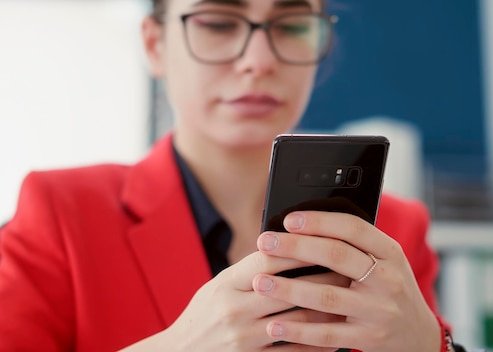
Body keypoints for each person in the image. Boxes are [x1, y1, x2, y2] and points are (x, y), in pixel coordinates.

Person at [0, 0, 464, 351]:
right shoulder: (60, 212)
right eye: (218, 22)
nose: (259, 61)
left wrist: (432, 347)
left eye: (292, 25)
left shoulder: (394, 232)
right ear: (154, 45)